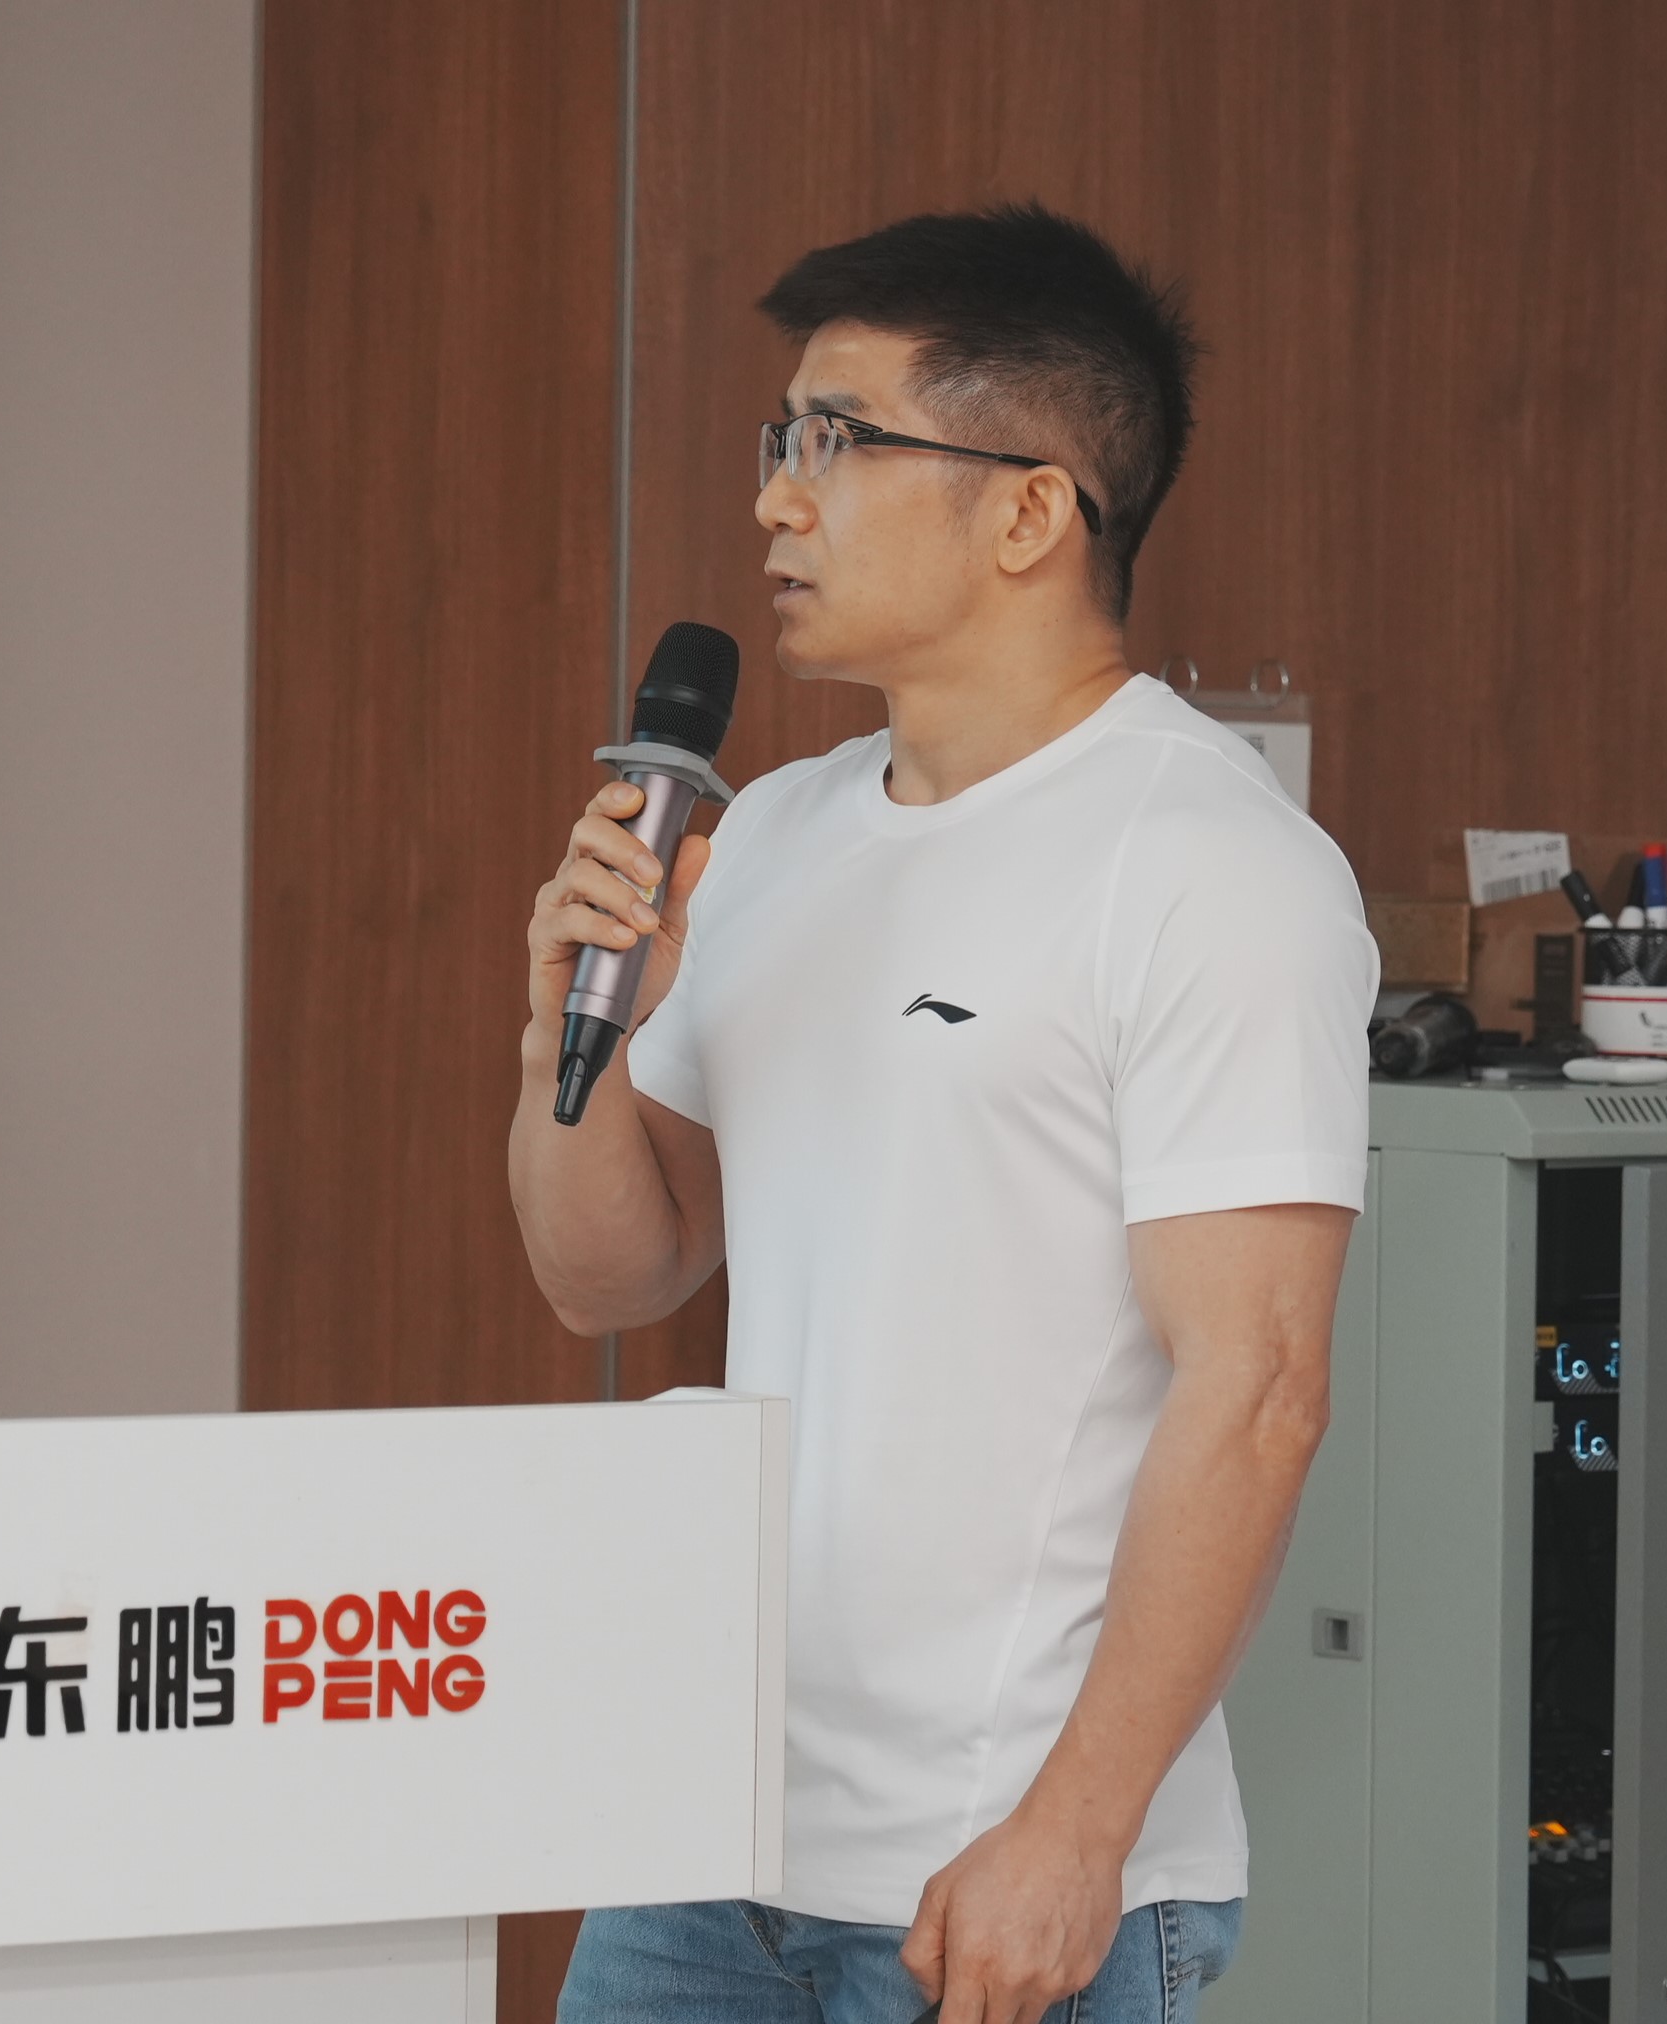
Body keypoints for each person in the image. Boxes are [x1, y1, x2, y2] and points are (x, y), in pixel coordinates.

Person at [512, 204, 1376, 2024]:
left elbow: (1259, 1389)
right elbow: (617, 1273)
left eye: (835, 440)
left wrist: (1076, 1833)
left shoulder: (1208, 864)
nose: (776, 499)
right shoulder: (775, 833)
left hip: (997, 1867)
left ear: (1030, 511)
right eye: (780, 439)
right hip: (703, 1836)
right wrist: (557, 1039)